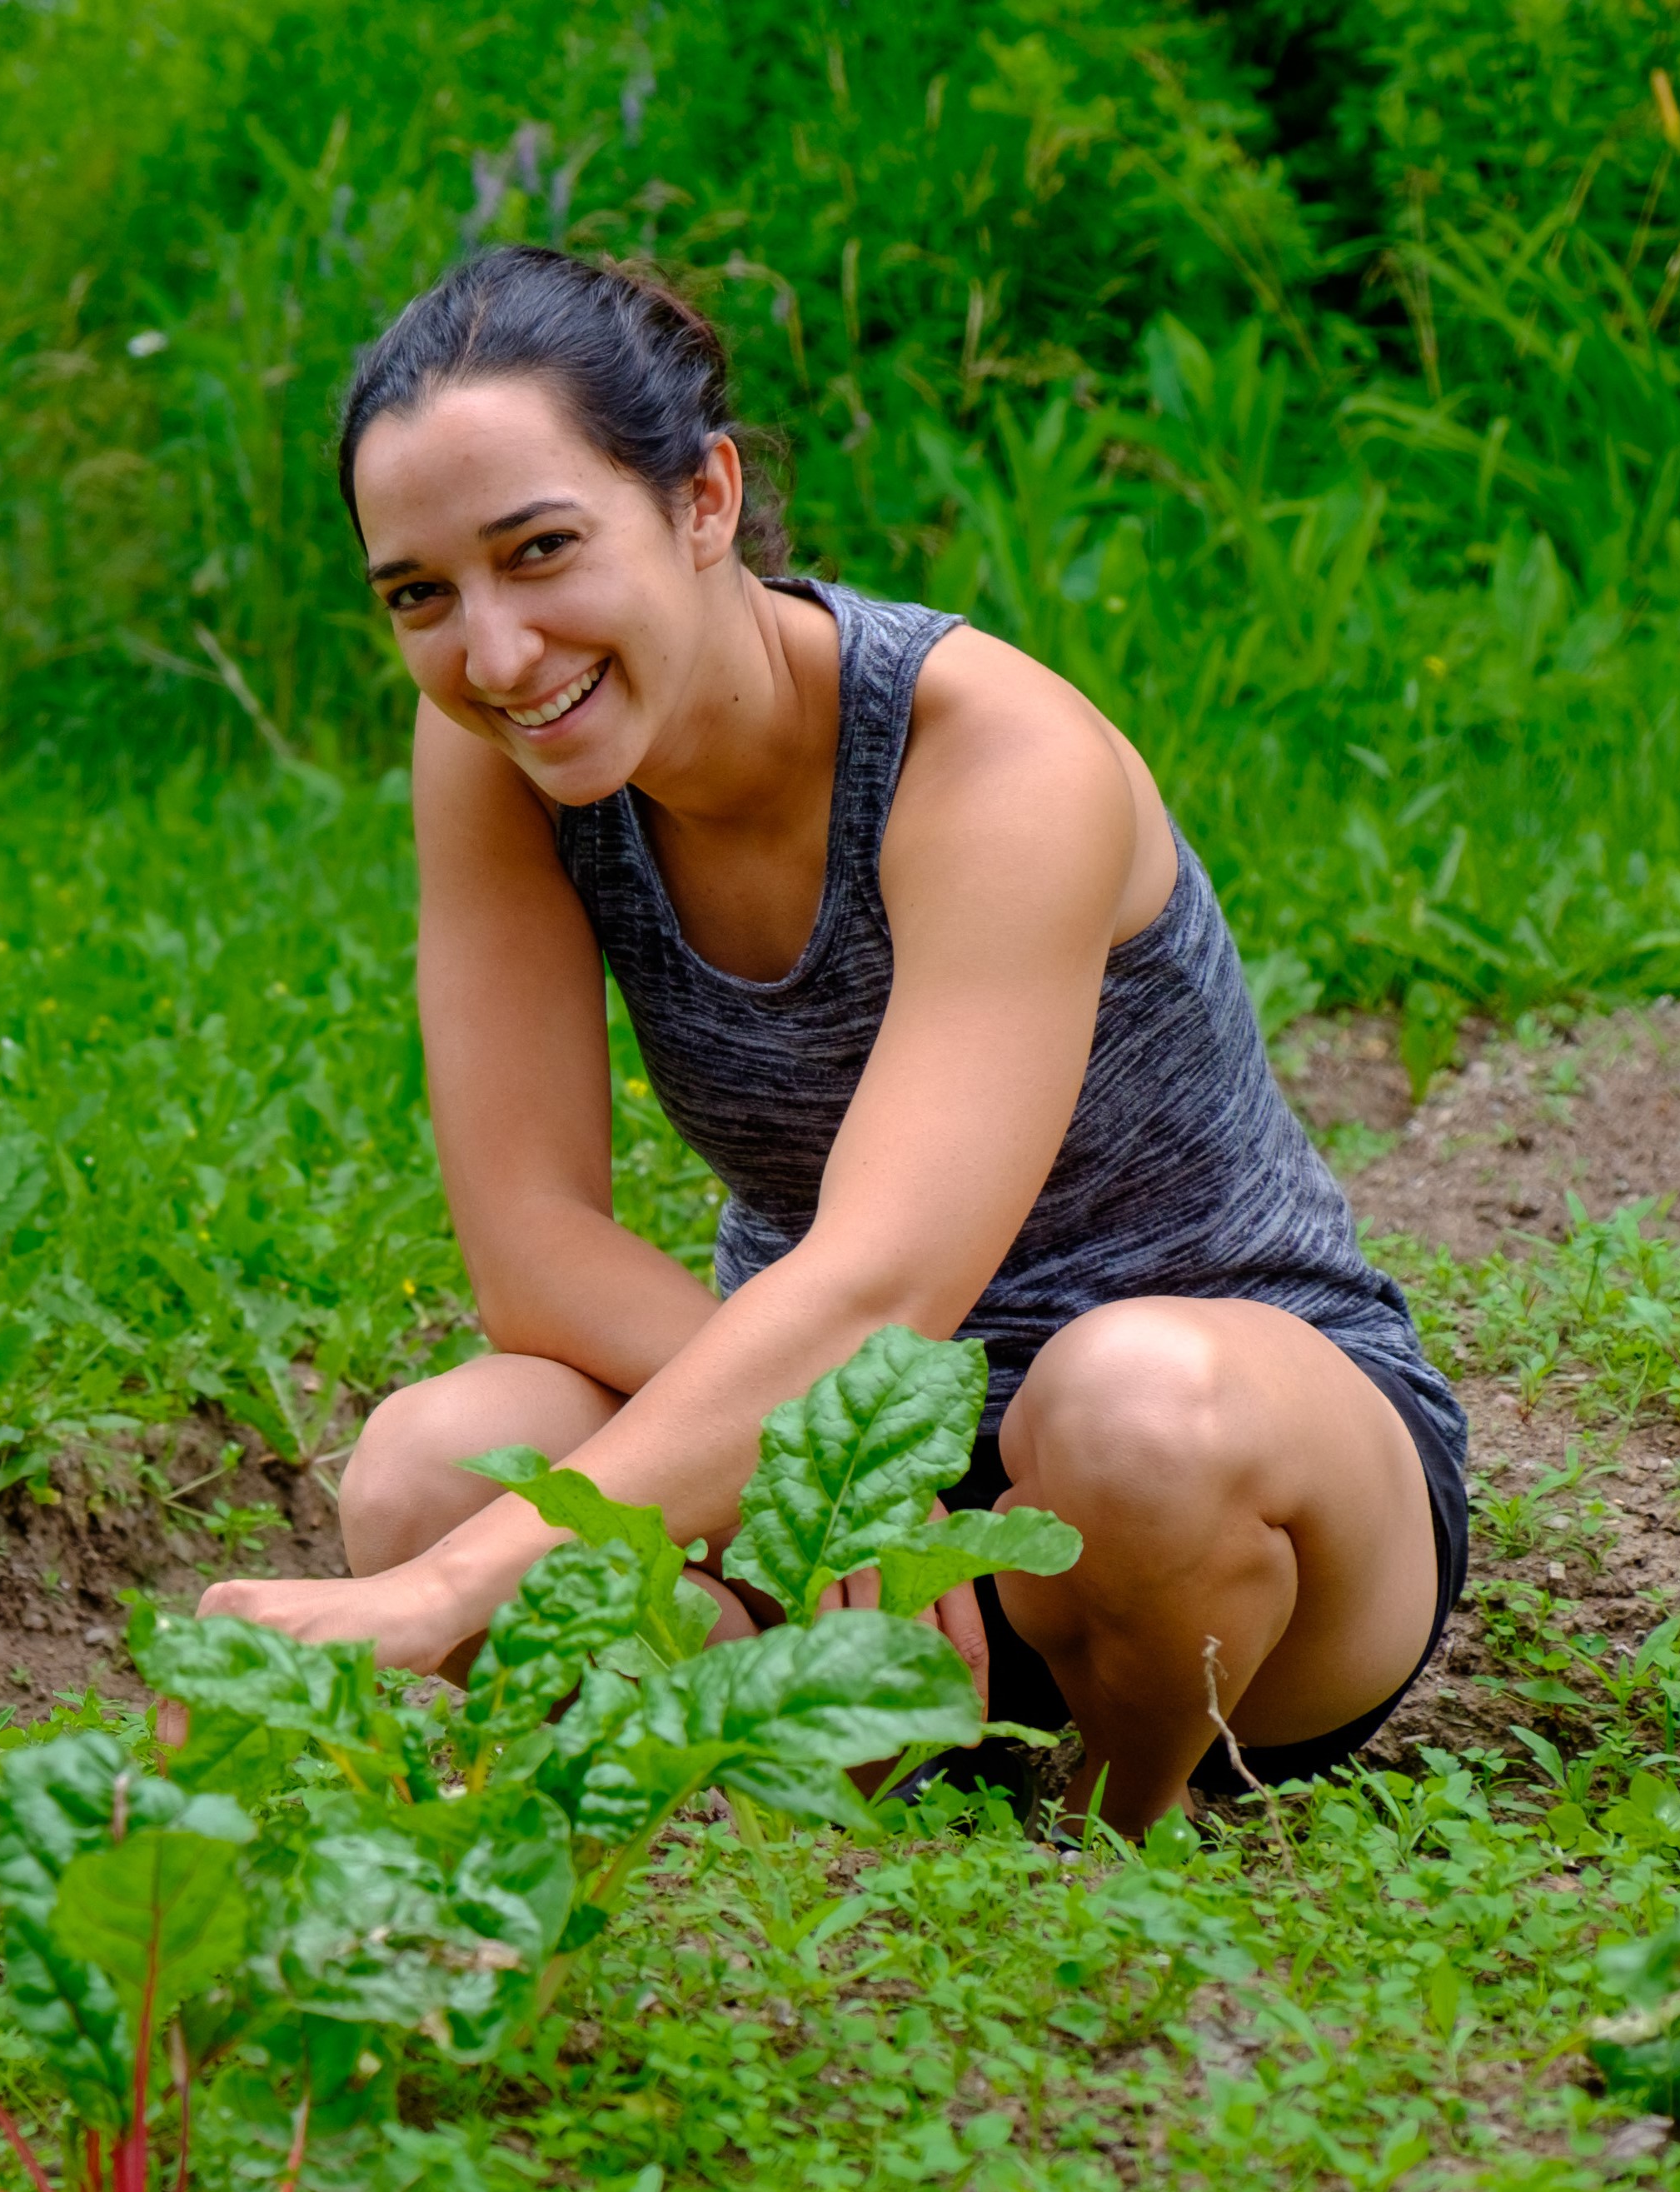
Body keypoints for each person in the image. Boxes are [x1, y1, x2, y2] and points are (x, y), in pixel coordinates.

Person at [192, 246, 1468, 1834]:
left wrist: (456, 1592)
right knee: (429, 1461)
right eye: (420, 596)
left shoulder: (993, 759)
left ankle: (1116, 1842)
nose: (496, 651)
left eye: (541, 550)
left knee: (1125, 1402)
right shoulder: (500, 752)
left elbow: (881, 1285)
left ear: (705, 499)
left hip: (1232, 1486)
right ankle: (839, 1779)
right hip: (848, 1482)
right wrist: (836, 1465)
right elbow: (529, 1241)